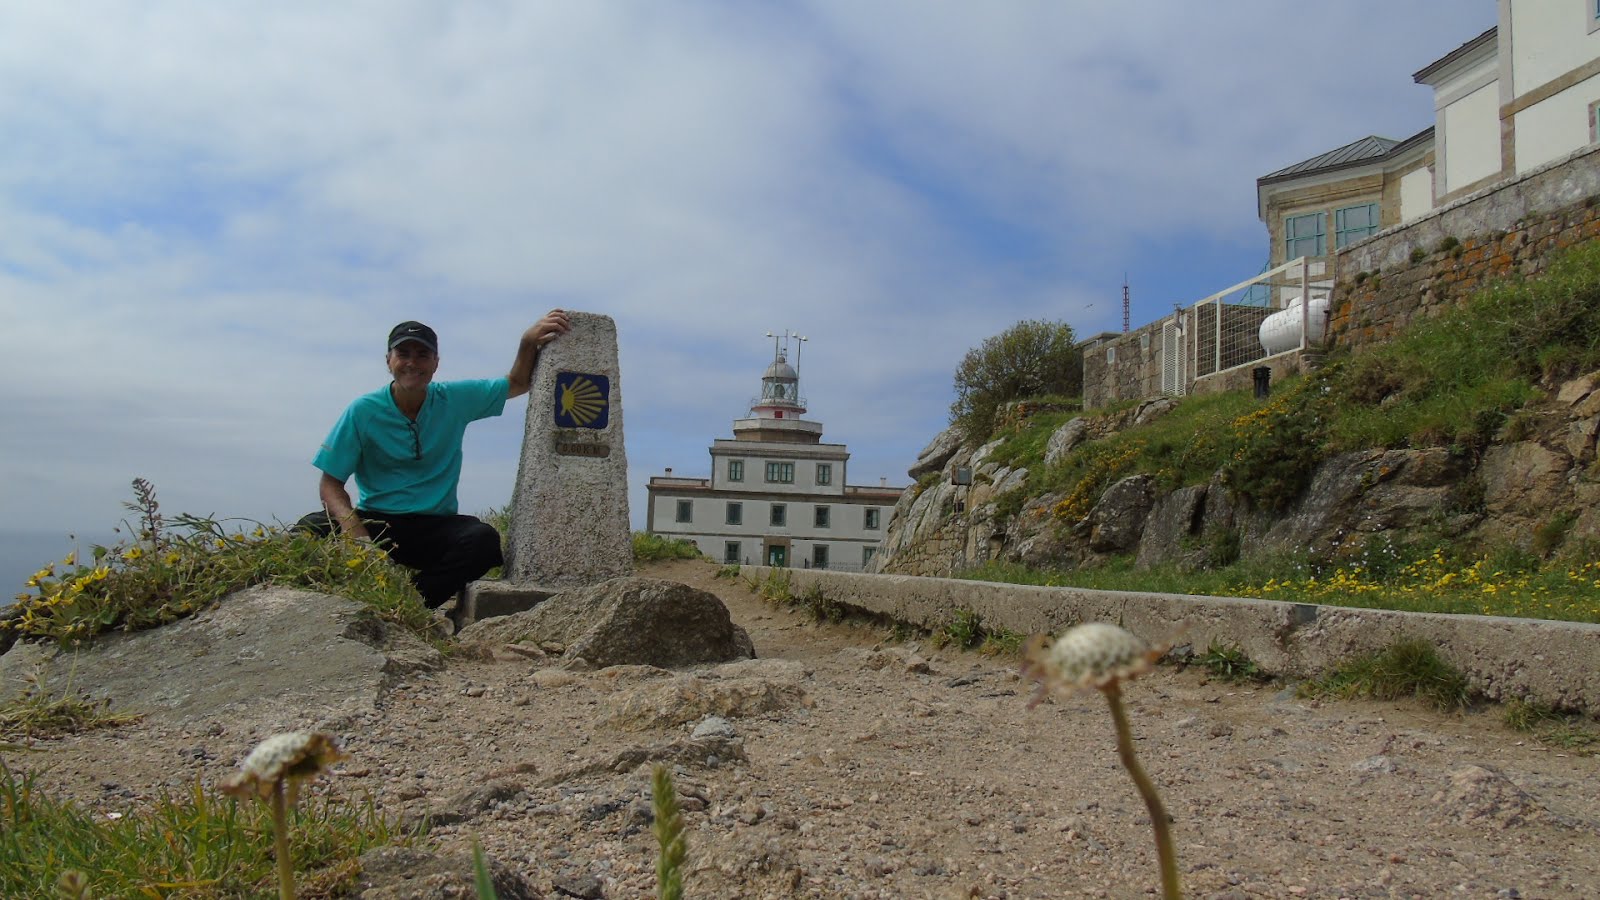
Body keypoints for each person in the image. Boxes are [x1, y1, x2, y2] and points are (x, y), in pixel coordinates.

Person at [298, 311, 571, 610]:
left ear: (436, 363)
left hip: (435, 526)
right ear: (388, 360)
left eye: (423, 354)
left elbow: (517, 383)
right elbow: (330, 482)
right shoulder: (363, 411)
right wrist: (356, 533)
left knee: (482, 541)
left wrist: (527, 341)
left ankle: (407, 605)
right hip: (378, 522)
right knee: (310, 529)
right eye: (403, 353)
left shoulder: (453, 399)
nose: (412, 363)